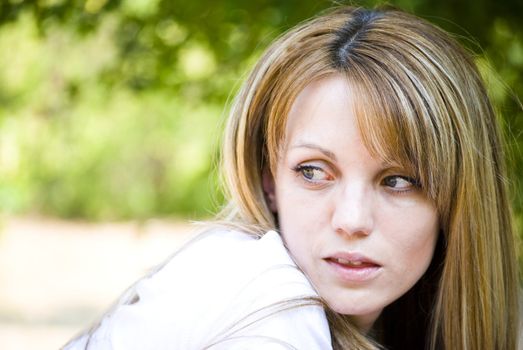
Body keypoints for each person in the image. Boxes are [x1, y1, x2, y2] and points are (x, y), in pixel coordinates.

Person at [64, 5, 520, 350]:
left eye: (399, 180)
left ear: (459, 196)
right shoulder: (270, 310)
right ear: (268, 181)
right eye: (314, 172)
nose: (352, 219)